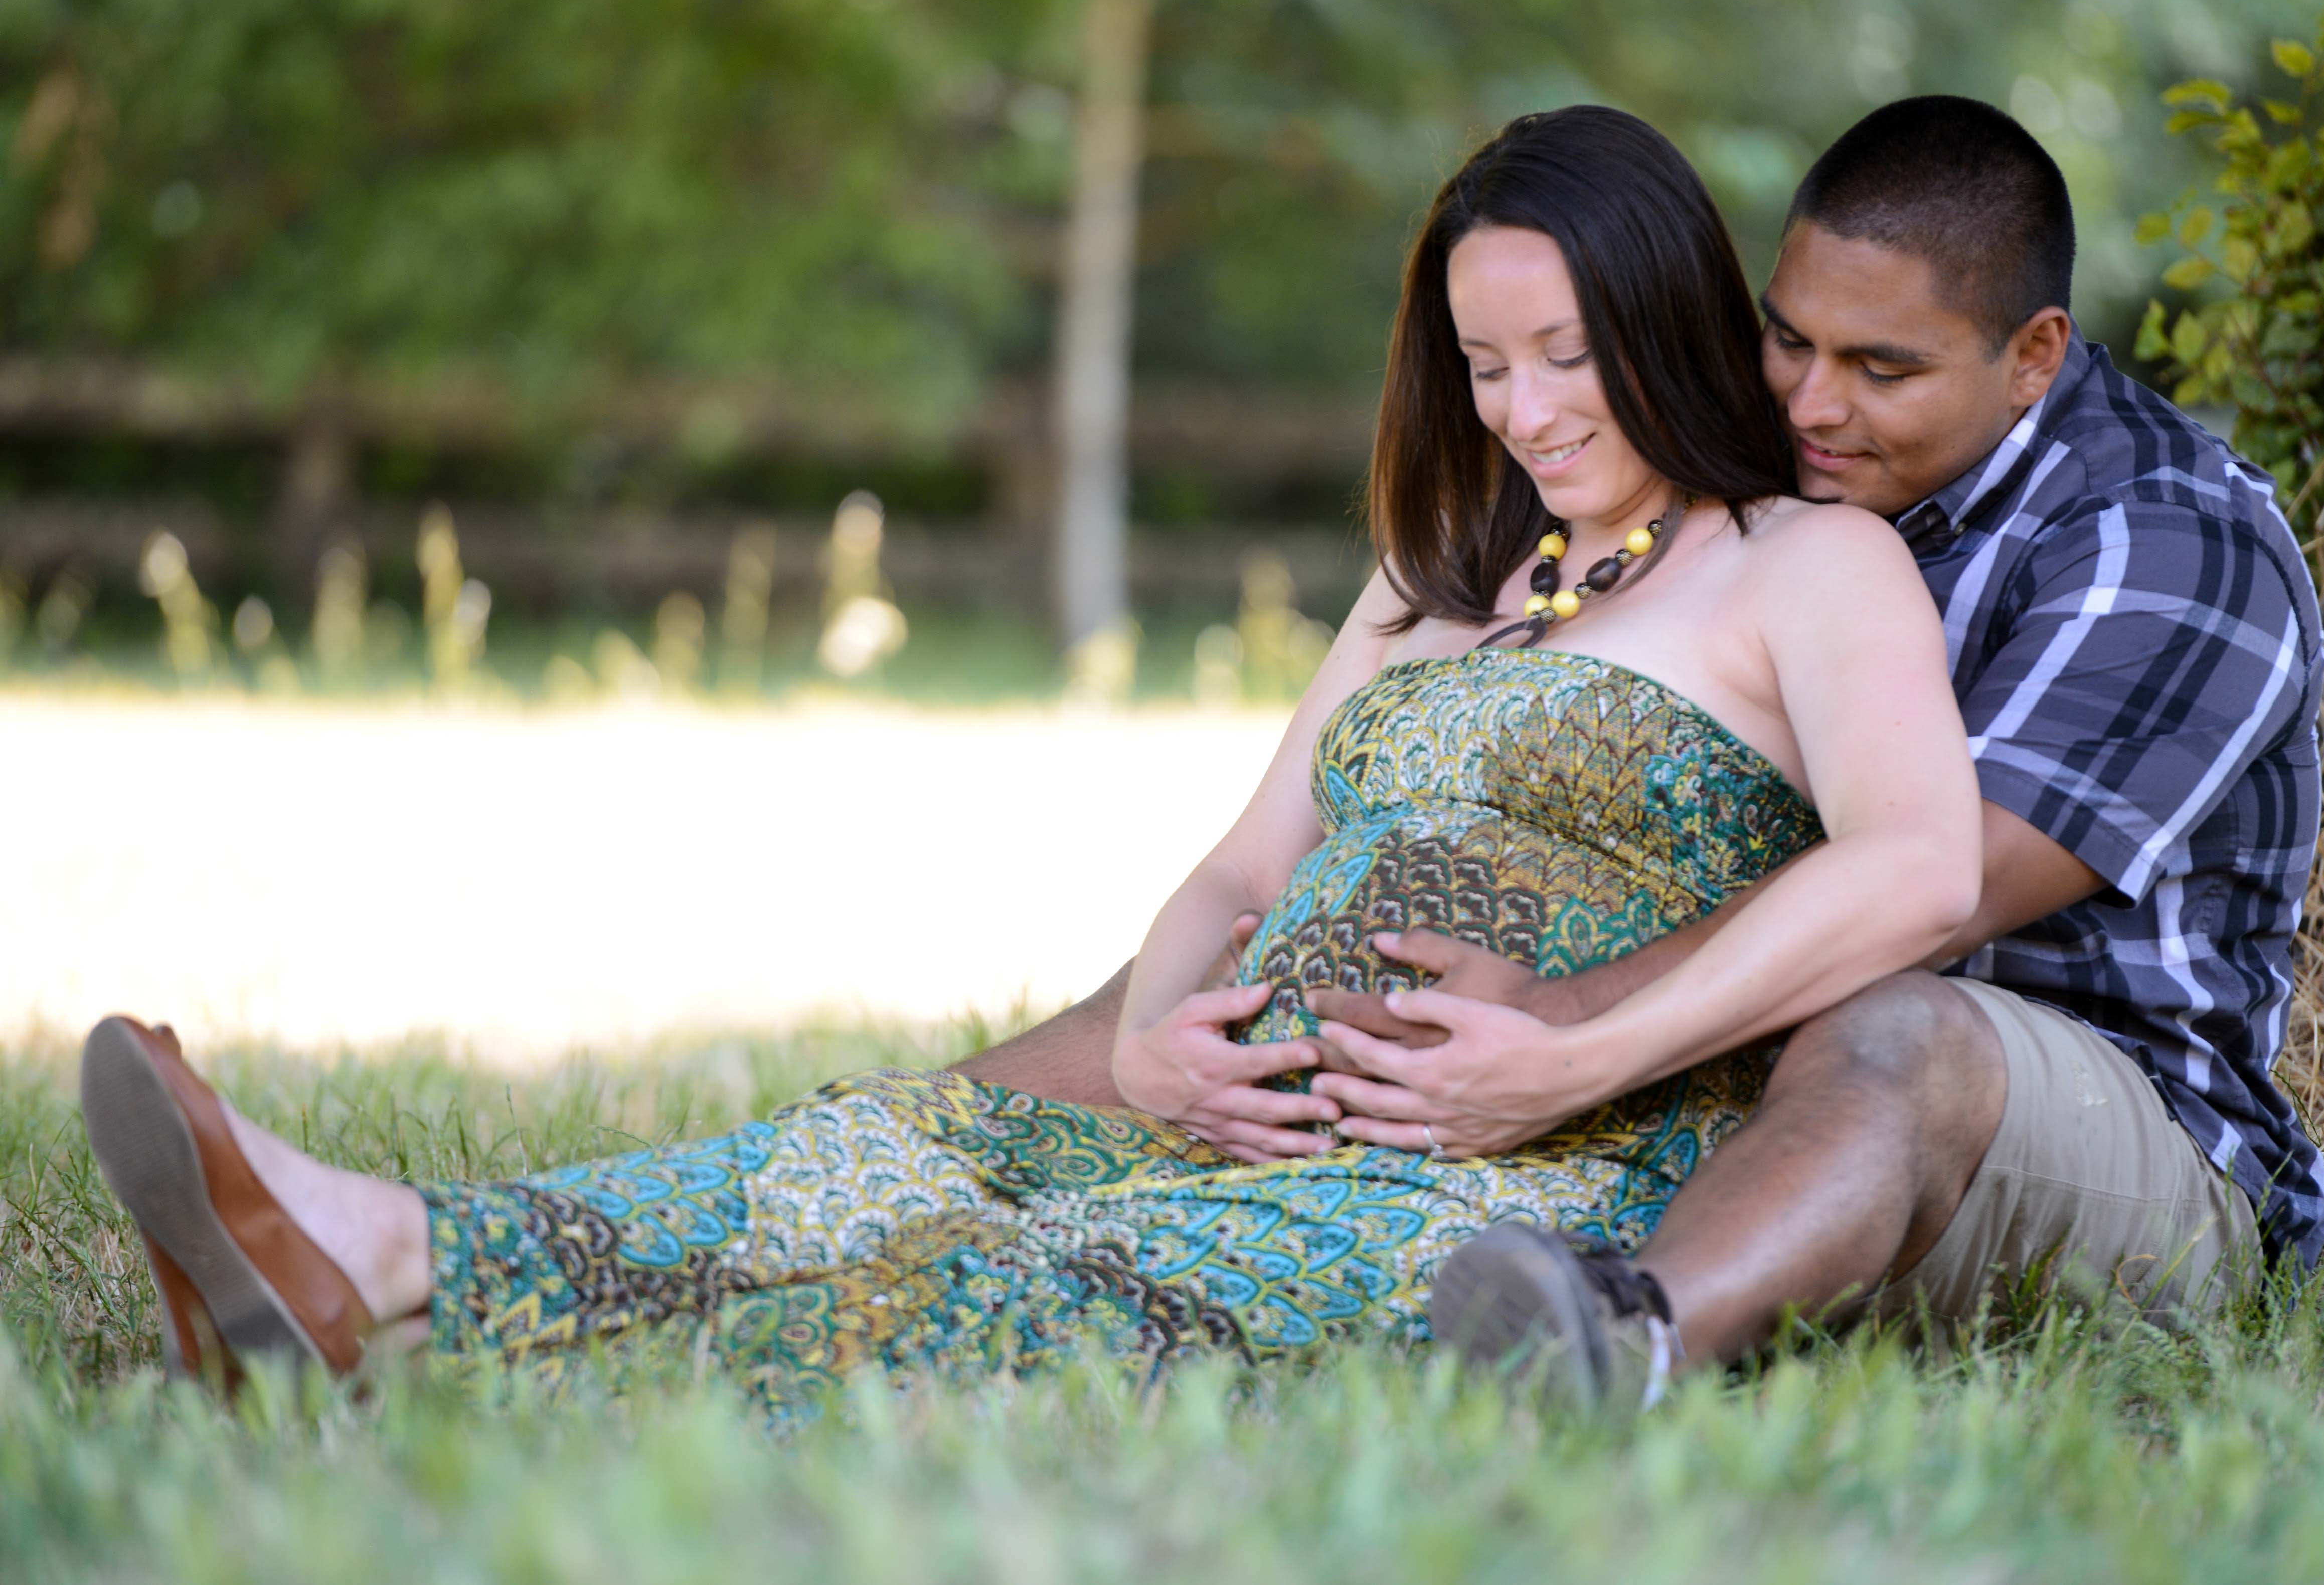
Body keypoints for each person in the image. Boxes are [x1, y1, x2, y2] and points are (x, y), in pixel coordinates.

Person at [79, 104, 1982, 1416]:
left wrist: (1567, 1052)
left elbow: (1919, 865)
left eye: (1566, 356)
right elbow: (1245, 870)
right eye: (1487, 369)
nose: (1530, 412)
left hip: (1504, 1168)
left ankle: (448, 1372)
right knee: (871, 1148)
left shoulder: (1805, 570)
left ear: (1660, 313)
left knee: (985, 1287)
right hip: (1232, 1103)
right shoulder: (1434, 585)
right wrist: (1161, 1035)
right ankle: (376, 1252)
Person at [1394, 95, 2324, 1396]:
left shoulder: (2165, 541)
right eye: (1789, 339)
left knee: (1904, 1029)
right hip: (1776, 1060)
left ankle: (1621, 1341)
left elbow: (1945, 890)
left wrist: (1568, 1010)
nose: (1814, 401)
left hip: (2121, 1132)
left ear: (2034, 353)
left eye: (1882, 369)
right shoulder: (1793, 492)